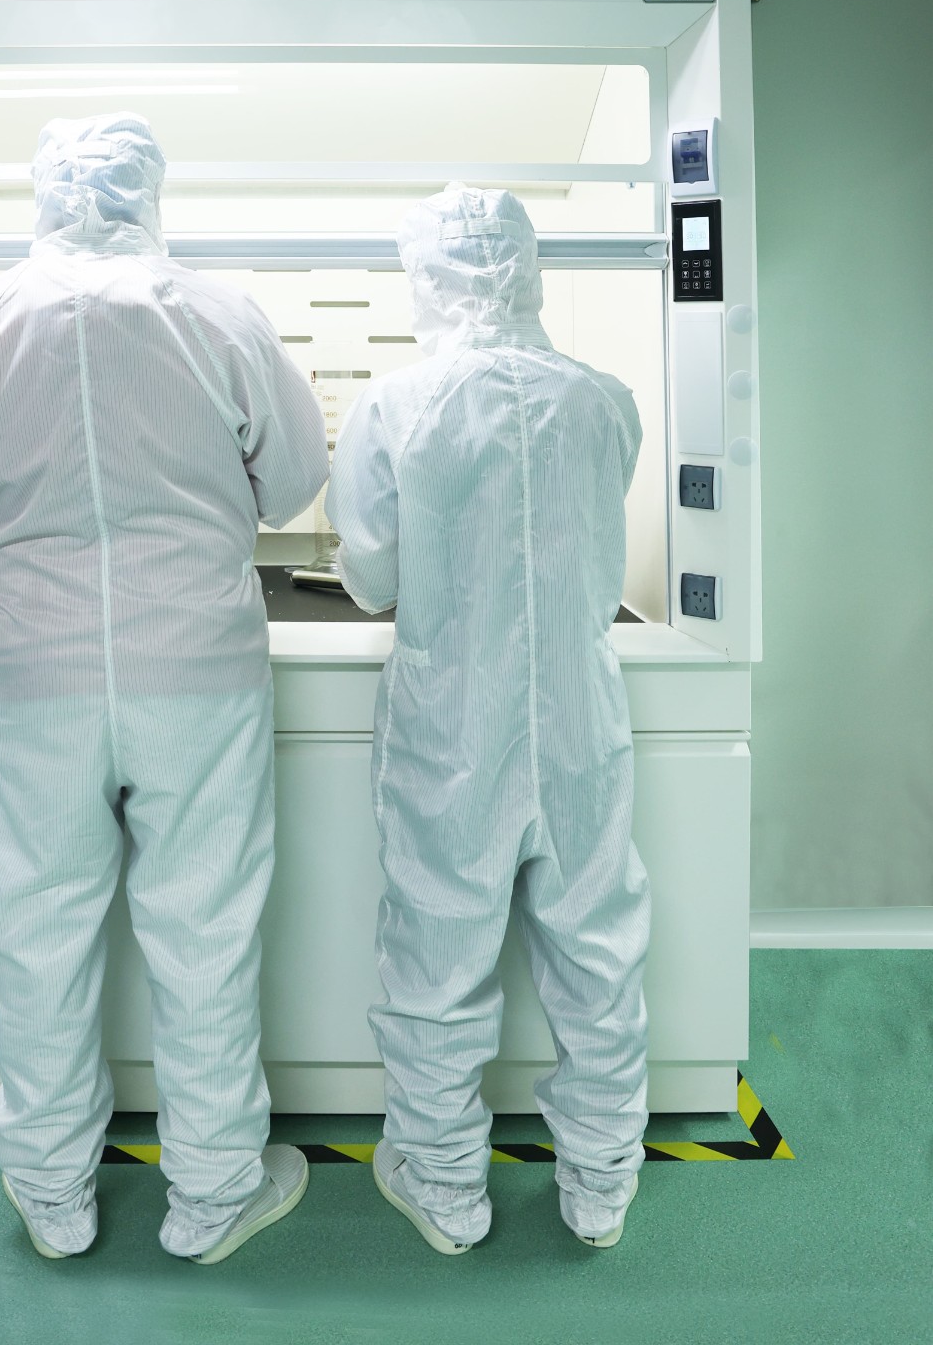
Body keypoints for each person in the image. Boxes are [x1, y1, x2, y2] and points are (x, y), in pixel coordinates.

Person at [0, 114, 329, 1263]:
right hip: (198, 673)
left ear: (42, 193)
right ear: (149, 193)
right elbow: (292, 483)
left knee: (39, 926)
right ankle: (214, 1192)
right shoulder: (218, 317)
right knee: (204, 929)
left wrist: (3, 499)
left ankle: (52, 1196)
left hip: (36, 671)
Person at [325, 183, 650, 1255]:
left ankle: (445, 1188)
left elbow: (371, 578)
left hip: (451, 725)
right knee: (597, 950)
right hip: (579, 719)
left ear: (424, 279)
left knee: (436, 958)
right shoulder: (603, 400)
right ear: (531, 270)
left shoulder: (397, 404)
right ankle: (600, 1182)